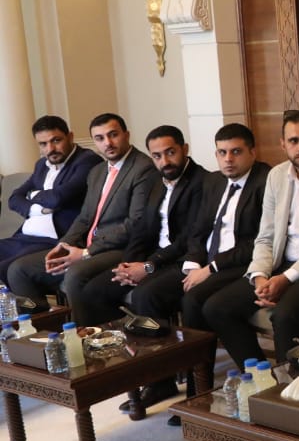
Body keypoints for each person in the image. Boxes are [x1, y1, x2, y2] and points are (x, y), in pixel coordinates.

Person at [203, 110, 299, 369]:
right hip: (280, 264)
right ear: (283, 144)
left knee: (285, 315)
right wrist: (260, 277)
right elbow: (265, 236)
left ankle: (293, 387)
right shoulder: (276, 176)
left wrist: (285, 280)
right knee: (217, 307)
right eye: (293, 141)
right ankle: (261, 377)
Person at [7, 113, 158, 324]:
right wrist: (64, 244)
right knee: (19, 270)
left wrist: (87, 252)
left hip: (120, 248)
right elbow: (85, 218)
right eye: (100, 138)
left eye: (113, 135)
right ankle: (48, 335)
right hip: (85, 246)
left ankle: (85, 336)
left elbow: (135, 223)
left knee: (76, 275)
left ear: (126, 135)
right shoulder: (98, 171)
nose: (108, 143)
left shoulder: (143, 168)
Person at [76, 125, 208, 328]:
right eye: (157, 156)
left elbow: (188, 238)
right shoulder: (155, 180)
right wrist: (128, 264)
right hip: (153, 257)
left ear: (185, 149)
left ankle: (159, 346)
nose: (165, 162)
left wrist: (148, 266)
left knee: (145, 295)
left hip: (181, 260)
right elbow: (142, 228)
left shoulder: (203, 182)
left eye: (170, 153)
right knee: (94, 290)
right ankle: (116, 344)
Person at [179, 123, 271, 333]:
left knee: (194, 299)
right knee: (153, 292)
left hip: (241, 263)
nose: (228, 159)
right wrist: (193, 264)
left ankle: (200, 356)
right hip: (207, 260)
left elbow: (258, 241)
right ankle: (171, 350)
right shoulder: (213, 180)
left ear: (252, 152)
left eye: (236, 152)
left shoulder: (266, 182)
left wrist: (210, 268)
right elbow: (198, 229)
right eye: (222, 152)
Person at [1, 116, 101, 280]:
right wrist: (36, 210)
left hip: (54, 239)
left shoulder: (87, 161)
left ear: (70, 137)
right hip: (24, 237)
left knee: (6, 268)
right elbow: (14, 198)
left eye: (56, 140)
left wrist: (32, 195)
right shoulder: (41, 165)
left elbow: (58, 198)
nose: (50, 149)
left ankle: (21, 297)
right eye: (43, 144)